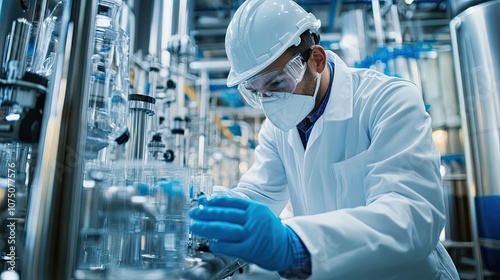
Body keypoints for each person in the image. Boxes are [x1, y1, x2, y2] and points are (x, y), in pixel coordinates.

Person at [189, 0, 460, 279]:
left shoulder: (387, 101)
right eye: (256, 92)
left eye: (277, 82)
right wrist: (201, 206)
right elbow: (258, 196)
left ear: (316, 59)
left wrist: (294, 245)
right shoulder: (276, 128)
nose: (270, 102)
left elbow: (413, 218)